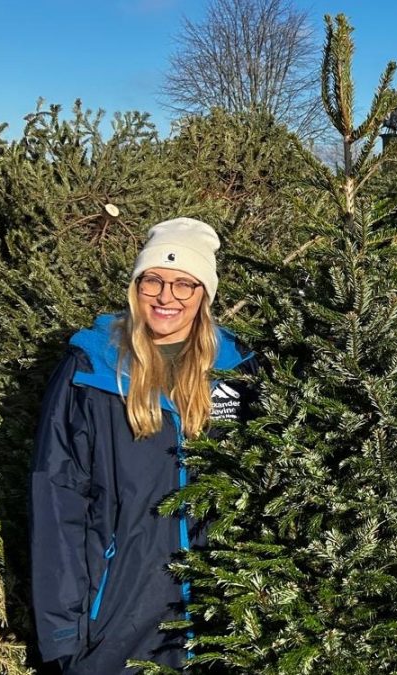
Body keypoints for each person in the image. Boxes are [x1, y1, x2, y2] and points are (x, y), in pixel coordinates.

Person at [30, 218, 257, 674]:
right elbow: (56, 502)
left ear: (204, 295)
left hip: (222, 617)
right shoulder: (90, 371)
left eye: (184, 284)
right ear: (136, 286)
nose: (166, 296)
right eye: (153, 279)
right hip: (116, 620)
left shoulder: (240, 370)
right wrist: (61, 636)